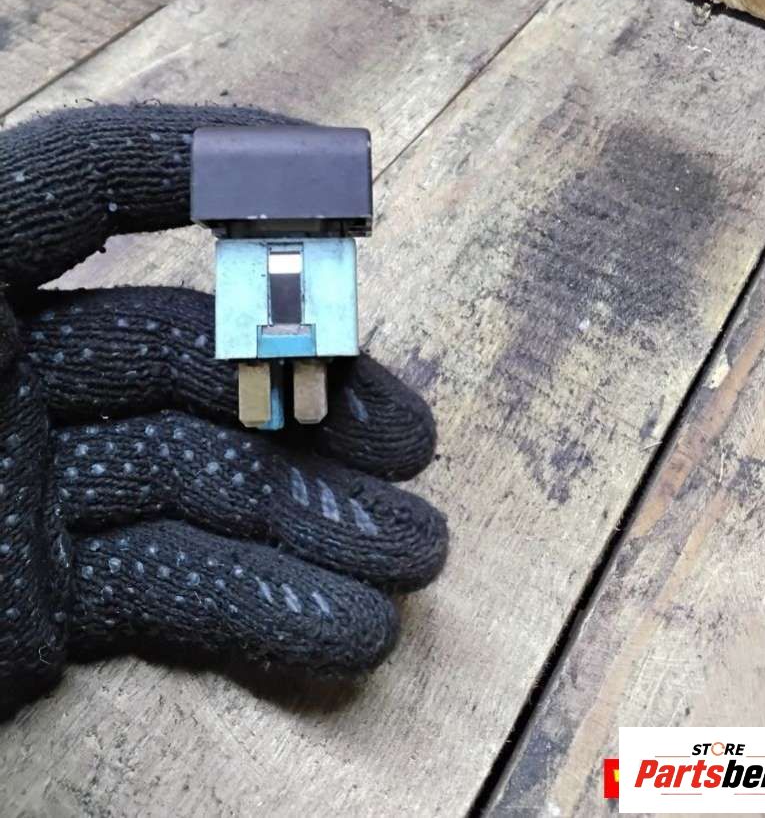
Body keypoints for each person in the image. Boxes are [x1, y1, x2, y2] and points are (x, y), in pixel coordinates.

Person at [0, 105, 447, 718]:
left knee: (304, 377)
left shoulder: (314, 236)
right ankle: (284, 398)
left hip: (305, 294)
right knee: (262, 376)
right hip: (263, 307)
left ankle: (295, 399)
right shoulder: (264, 235)